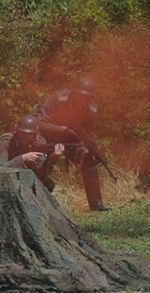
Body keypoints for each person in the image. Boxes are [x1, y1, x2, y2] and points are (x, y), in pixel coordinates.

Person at [31, 76, 110, 211]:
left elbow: (88, 134)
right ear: (74, 93)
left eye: (86, 97)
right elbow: (40, 124)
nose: (82, 99)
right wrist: (63, 130)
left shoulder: (91, 110)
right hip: (46, 135)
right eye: (80, 95)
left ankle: (96, 204)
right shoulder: (57, 99)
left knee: (89, 161)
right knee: (39, 161)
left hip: (71, 140)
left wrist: (93, 151)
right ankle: (32, 196)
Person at [0, 115, 65, 191]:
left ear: (35, 134)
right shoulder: (6, 142)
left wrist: (51, 159)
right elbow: (1, 169)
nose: (26, 137)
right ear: (18, 132)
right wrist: (22, 158)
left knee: (49, 185)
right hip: (9, 177)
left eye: (29, 134)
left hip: (27, 177)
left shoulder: (40, 143)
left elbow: (40, 175)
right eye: (23, 133)